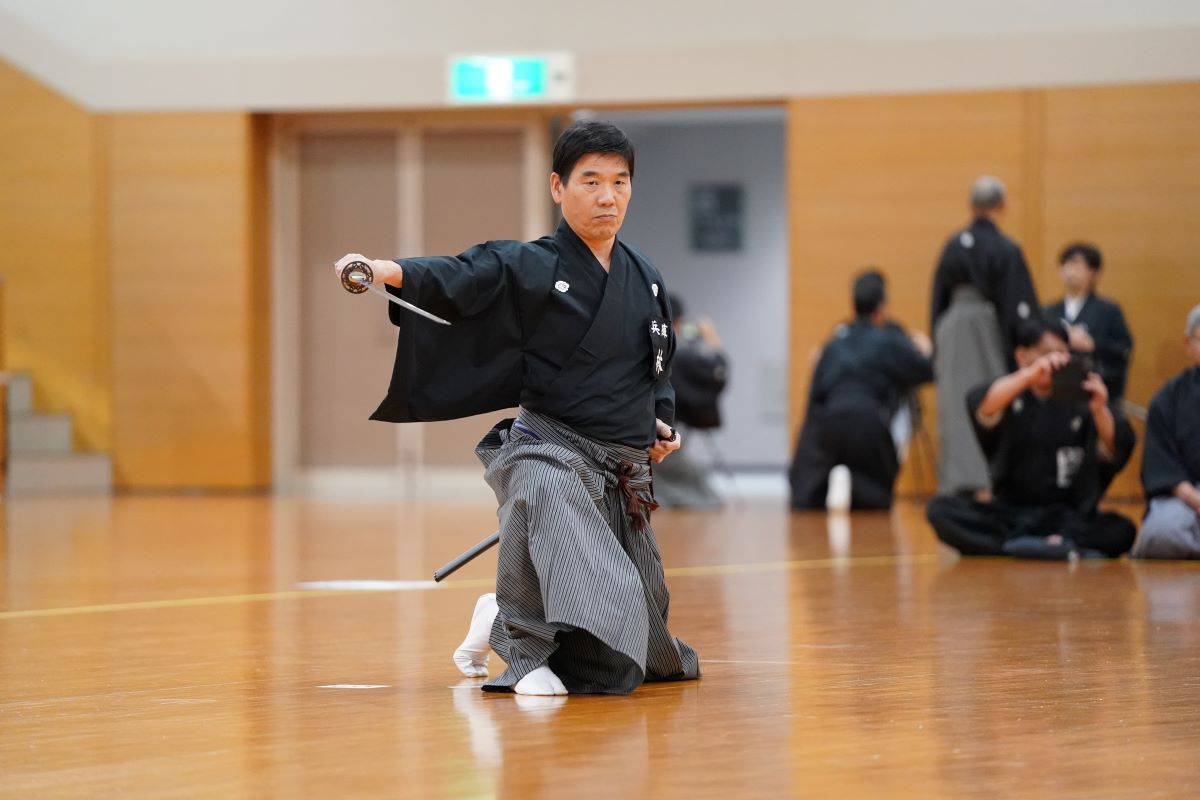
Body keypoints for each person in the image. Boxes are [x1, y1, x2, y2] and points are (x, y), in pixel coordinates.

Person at [332, 120, 700, 696]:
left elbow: (657, 367)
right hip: (547, 450)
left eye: (620, 182)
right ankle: (522, 650)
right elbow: (463, 273)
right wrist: (381, 270)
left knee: (648, 651)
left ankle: (495, 613)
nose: (608, 196)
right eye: (591, 181)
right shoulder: (533, 265)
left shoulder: (645, 277)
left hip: (621, 467)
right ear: (558, 187)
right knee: (603, 592)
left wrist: (660, 421)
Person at [926, 314, 1137, 559]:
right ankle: (1047, 545)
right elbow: (981, 404)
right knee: (940, 510)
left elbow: (1116, 446)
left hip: (1067, 516)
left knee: (1122, 530)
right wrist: (1029, 376)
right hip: (1011, 513)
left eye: (1061, 352)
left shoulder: (1080, 399)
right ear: (1021, 356)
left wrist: (1100, 410)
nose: (1055, 360)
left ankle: (1024, 545)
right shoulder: (1010, 393)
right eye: (1046, 352)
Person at [930, 176, 1040, 497]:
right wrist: (1017, 348)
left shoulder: (952, 245)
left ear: (971, 205)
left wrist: (939, 342)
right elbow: (1017, 305)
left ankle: (954, 482)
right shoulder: (1006, 249)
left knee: (955, 405)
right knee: (991, 402)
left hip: (952, 331)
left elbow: (938, 299)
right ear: (1002, 206)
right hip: (990, 330)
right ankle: (990, 478)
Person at [790, 270, 934, 510]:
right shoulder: (889, 338)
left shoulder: (835, 341)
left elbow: (815, 396)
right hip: (867, 423)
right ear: (882, 306)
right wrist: (926, 351)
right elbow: (925, 371)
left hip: (828, 422)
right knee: (872, 504)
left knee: (805, 499)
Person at [1131, 304, 1200, 559]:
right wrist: (1194, 499)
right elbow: (1161, 462)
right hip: (1186, 496)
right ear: (1189, 343)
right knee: (1160, 534)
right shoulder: (1169, 398)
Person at [651, 294, 728, 509]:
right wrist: (712, 339)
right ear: (678, 322)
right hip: (666, 427)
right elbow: (718, 371)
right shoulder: (679, 353)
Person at [1044, 242, 1134, 402]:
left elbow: (1123, 349)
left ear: (1093, 272)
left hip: (1093, 389)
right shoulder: (1049, 311)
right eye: (1066, 265)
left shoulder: (1109, 310)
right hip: (1055, 390)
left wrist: (1092, 345)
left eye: (1077, 266)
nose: (1071, 272)